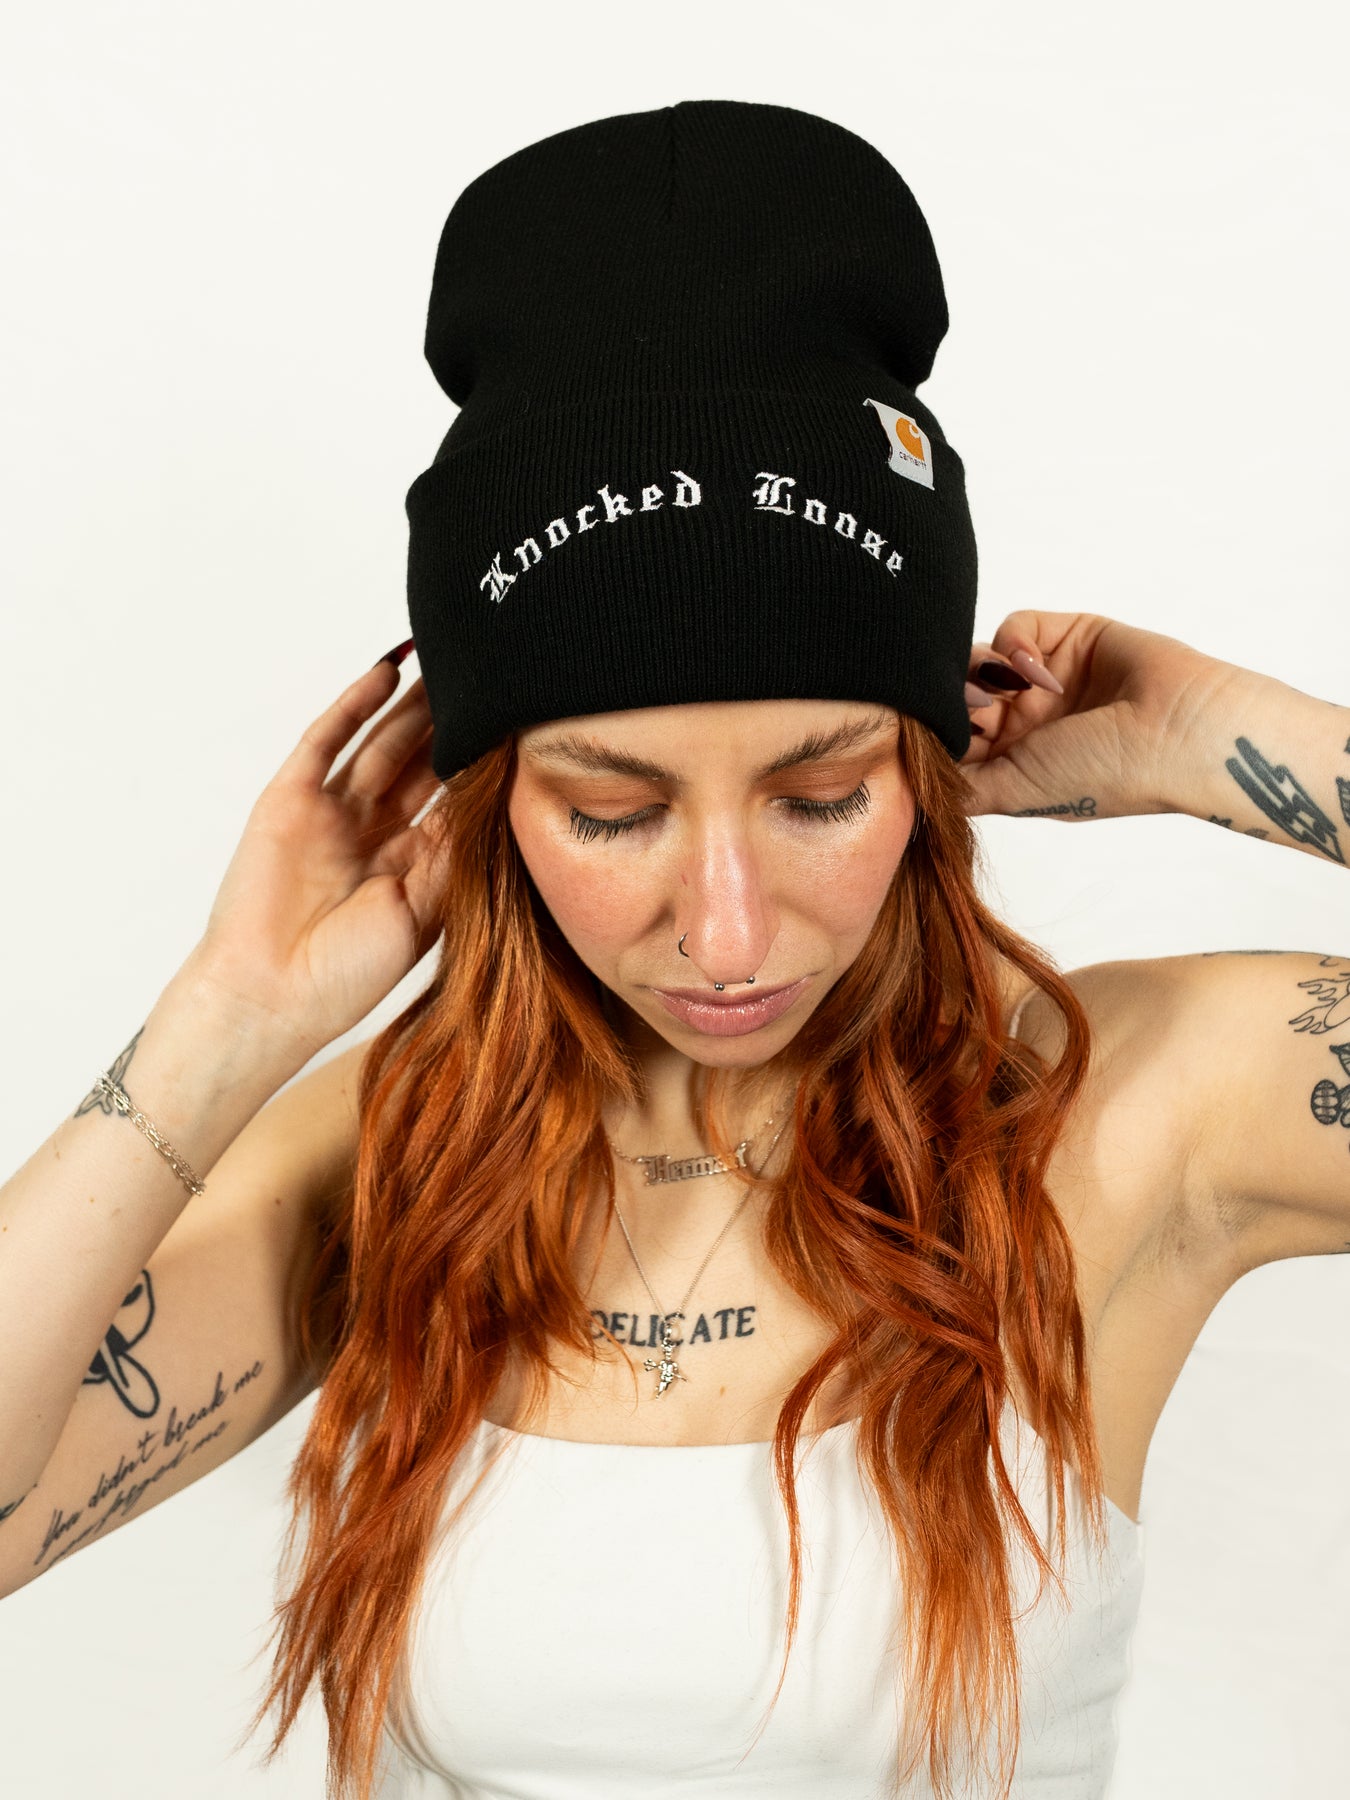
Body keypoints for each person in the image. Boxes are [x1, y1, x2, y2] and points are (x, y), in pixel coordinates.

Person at [3, 99, 1349, 1800]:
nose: (724, 930)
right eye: (611, 811)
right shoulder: (401, 1155)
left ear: (928, 768)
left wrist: (1225, 740)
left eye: (820, 795)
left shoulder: (1144, 1107)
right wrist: (225, 1026)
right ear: (485, 805)